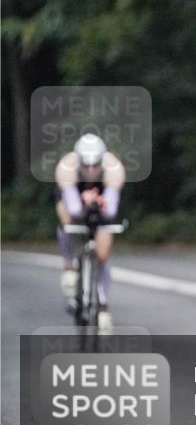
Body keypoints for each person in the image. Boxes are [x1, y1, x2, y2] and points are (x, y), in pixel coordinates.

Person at [55, 133, 126, 332]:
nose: (91, 170)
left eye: (95, 165)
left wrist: (101, 203)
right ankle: (69, 266)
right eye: (86, 165)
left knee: (103, 255)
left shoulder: (114, 169)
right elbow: (74, 209)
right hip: (74, 196)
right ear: (79, 162)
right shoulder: (66, 168)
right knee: (67, 221)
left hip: (101, 199)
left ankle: (103, 306)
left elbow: (111, 210)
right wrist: (84, 200)